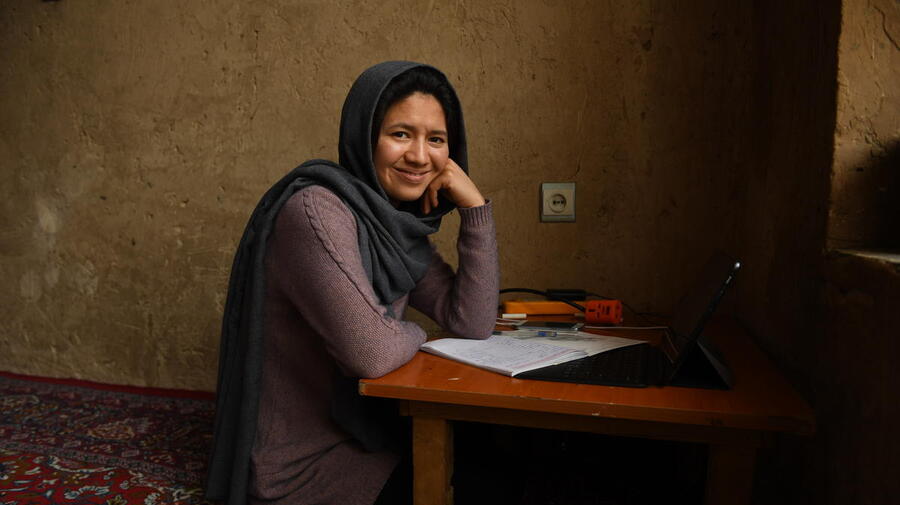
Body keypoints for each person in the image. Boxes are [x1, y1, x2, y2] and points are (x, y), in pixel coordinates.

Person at [205, 61, 500, 505]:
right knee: (489, 486)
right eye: (401, 134)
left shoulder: (394, 227)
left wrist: (475, 210)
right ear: (364, 137)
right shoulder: (316, 211)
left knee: (510, 454)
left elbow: (473, 322)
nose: (420, 156)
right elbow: (372, 353)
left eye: (436, 139)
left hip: (370, 439)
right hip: (302, 468)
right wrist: (417, 335)